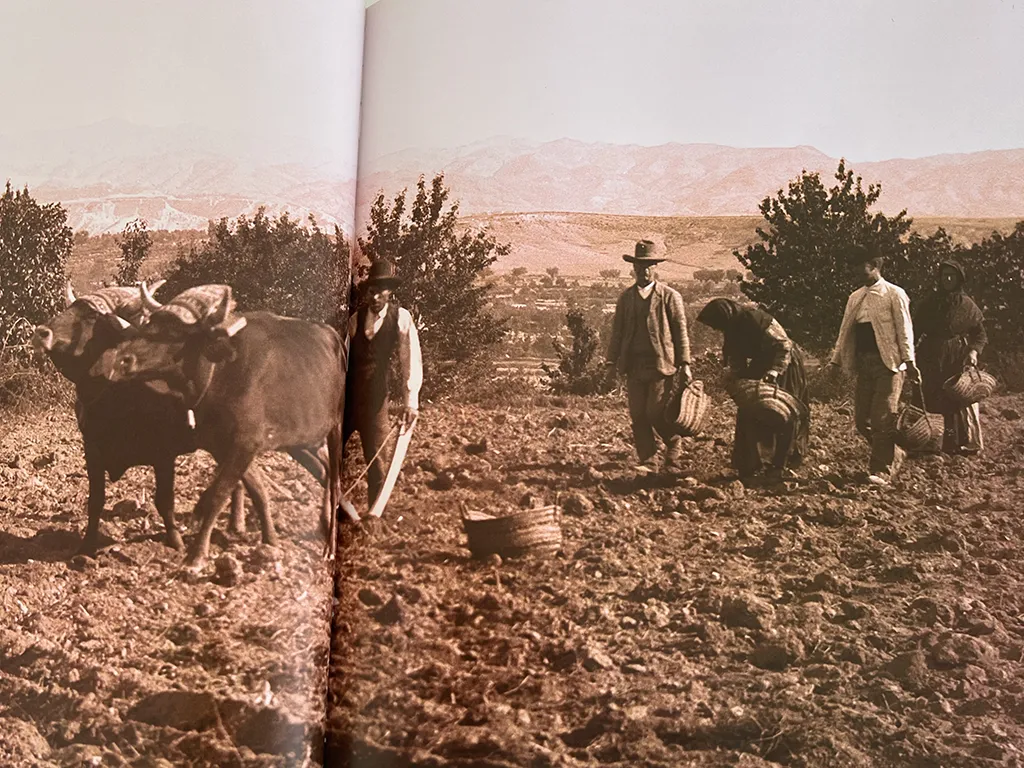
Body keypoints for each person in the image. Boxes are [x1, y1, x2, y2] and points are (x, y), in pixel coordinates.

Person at [827, 247, 920, 486]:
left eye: (861, 266)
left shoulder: (894, 294)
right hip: (864, 364)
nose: (856, 272)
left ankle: (882, 470)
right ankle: (894, 452)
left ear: (874, 265)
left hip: (889, 364)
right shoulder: (855, 297)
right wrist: (835, 362)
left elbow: (904, 329)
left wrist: (909, 362)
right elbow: (845, 331)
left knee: (883, 418)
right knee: (862, 421)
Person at [696, 298, 810, 481]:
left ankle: (780, 464)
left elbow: (783, 345)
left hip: (785, 364)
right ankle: (749, 464)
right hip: (762, 362)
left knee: (784, 411)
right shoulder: (731, 329)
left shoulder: (755, 319)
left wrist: (773, 372)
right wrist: (734, 379)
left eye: (716, 324)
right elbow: (736, 359)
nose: (716, 329)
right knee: (749, 410)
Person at [606, 240, 692, 475]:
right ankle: (649, 461)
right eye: (639, 267)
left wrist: (684, 363)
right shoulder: (626, 298)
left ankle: (673, 446)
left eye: (648, 266)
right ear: (633, 268)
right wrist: (611, 362)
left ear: (656, 268)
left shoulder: (669, 297)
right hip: (634, 365)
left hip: (660, 365)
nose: (643, 271)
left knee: (656, 412)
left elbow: (680, 331)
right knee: (638, 414)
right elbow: (617, 332)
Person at [345, 258, 422, 506]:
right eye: (371, 290)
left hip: (377, 401)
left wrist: (411, 402)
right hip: (348, 400)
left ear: (390, 292)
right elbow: (342, 360)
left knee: (377, 460)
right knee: (330, 454)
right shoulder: (355, 320)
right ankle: (336, 511)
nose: (375, 296)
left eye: (381, 291)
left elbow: (410, 358)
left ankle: (373, 516)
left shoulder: (400, 318)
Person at [913, 259, 988, 455]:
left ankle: (953, 443)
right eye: (944, 275)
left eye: (951, 276)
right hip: (930, 354)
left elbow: (979, 334)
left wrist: (973, 351)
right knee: (929, 395)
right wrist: (908, 354)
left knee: (953, 399)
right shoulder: (930, 303)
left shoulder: (967, 305)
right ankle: (928, 441)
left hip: (955, 356)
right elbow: (914, 330)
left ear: (959, 279)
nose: (947, 279)